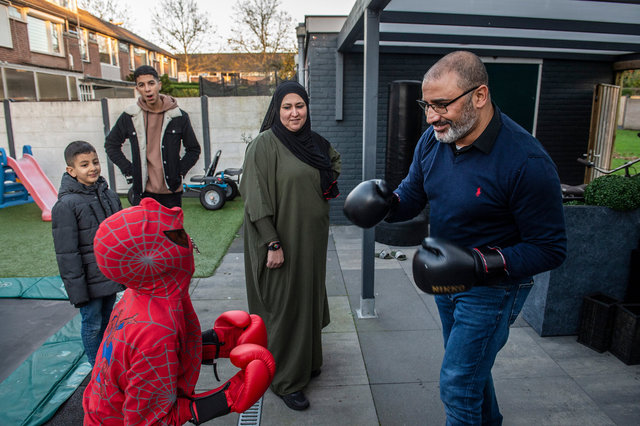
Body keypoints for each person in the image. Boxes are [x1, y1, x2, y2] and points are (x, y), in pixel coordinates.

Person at [343, 51, 567, 424]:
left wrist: (481, 262)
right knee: (470, 368)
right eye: (426, 104)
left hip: (493, 289)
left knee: (458, 383)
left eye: (442, 104)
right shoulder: (434, 141)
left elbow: (550, 248)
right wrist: (385, 204)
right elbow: (412, 195)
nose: (431, 116)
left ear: (479, 97)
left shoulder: (527, 162)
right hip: (444, 277)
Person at [83, 197, 275, 425]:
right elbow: (149, 422)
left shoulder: (145, 291)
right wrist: (226, 398)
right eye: (177, 237)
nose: (188, 241)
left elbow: (147, 362)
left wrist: (217, 343)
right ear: (156, 258)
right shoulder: (155, 332)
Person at [240, 81, 341, 410]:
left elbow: (332, 165)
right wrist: (272, 242)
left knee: (307, 299)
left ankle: (307, 363)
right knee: (284, 308)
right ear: (276, 110)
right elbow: (255, 200)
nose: (294, 112)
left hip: (311, 240)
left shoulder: (315, 144)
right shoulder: (263, 146)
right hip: (279, 241)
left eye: (300, 105)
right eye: (287, 107)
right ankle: (285, 379)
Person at [51, 140, 124, 366]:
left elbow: (122, 232)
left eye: (95, 162)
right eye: (84, 165)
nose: (92, 168)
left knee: (108, 322)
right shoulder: (66, 205)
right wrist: (77, 290)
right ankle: (98, 371)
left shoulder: (108, 195)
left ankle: (109, 366)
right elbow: (67, 252)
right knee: (92, 325)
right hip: (88, 283)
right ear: (71, 171)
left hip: (109, 275)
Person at [105, 65, 201, 208]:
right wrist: (130, 170)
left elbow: (193, 149)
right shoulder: (130, 116)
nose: (147, 89)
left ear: (159, 85)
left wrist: (178, 171)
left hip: (171, 192)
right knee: (145, 231)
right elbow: (111, 145)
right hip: (142, 192)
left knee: (173, 231)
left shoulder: (178, 116)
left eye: (151, 83)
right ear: (137, 89)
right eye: (141, 85)